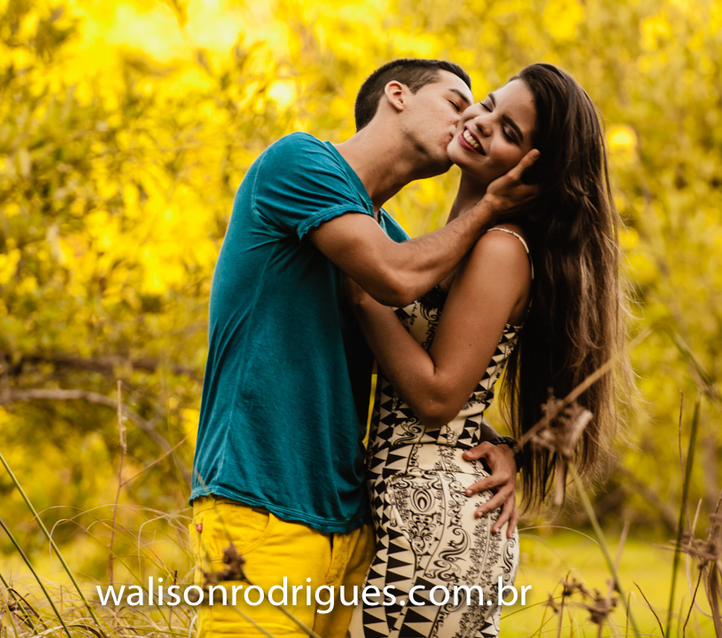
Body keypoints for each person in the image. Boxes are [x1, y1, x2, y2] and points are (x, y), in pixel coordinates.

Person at [189, 59, 540, 638]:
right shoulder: (301, 161)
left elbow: (423, 369)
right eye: (457, 103)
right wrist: (489, 207)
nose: (469, 121)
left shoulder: (392, 240)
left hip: (355, 531)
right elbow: (393, 279)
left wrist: (498, 445)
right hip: (259, 505)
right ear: (396, 94)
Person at [346, 63, 629, 637]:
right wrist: (500, 443)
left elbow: (439, 397)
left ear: (534, 174)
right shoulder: (466, 239)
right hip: (423, 514)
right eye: (491, 105)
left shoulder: (500, 248)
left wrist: (362, 292)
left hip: (432, 531)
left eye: (509, 132)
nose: (480, 122)